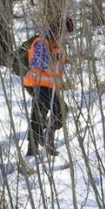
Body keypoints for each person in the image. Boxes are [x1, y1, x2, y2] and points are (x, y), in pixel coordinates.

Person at [22, 15, 73, 157]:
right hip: (36, 84)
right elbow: (37, 63)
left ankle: (33, 149)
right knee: (61, 110)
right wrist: (52, 58)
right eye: (64, 33)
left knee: (39, 114)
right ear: (57, 31)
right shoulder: (42, 43)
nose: (66, 36)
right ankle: (45, 139)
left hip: (48, 86)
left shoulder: (58, 46)